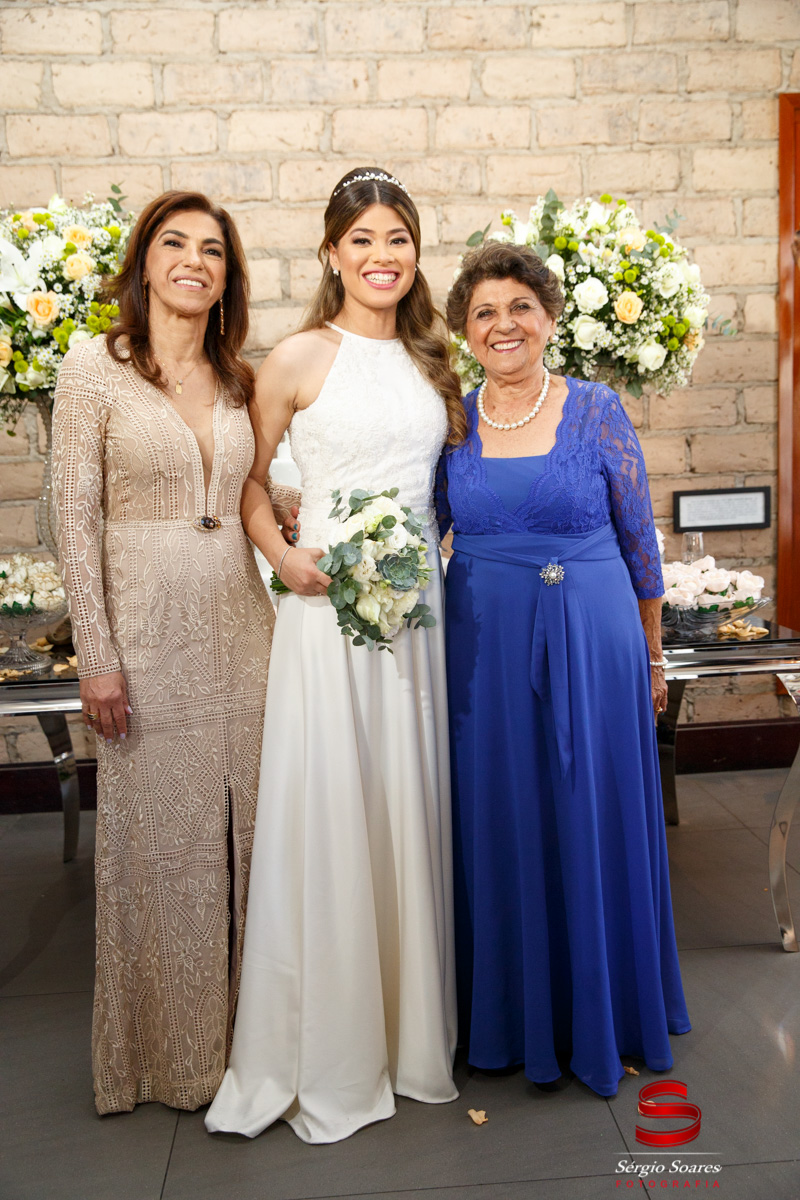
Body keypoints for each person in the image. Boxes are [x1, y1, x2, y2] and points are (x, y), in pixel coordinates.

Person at [205, 168, 465, 1144]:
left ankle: (407, 1036)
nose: (381, 256)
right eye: (362, 239)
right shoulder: (296, 357)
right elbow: (246, 485)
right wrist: (285, 560)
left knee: (402, 800)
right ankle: (332, 1047)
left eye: (396, 238)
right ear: (330, 252)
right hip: (323, 613)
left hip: (414, 621)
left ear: (414, 251)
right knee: (332, 803)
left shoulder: (432, 360)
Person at [52, 190, 297, 1115]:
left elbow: (258, 495)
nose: (194, 260)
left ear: (228, 277)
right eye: (174, 243)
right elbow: (72, 517)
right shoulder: (95, 368)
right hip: (145, 635)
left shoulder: (241, 379)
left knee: (257, 838)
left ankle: (255, 1049)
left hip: (243, 627)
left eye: (212, 250)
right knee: (159, 848)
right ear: (145, 263)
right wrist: (97, 654)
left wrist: (323, 508)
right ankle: (163, 1059)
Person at [437, 240, 690, 1098]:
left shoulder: (596, 409)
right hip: (483, 646)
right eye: (484, 312)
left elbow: (640, 543)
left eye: (520, 307)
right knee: (502, 810)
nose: (503, 324)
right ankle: (509, 1017)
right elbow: (413, 522)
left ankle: (607, 1013)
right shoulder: (451, 421)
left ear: (548, 317)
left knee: (592, 805)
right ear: (465, 331)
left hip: (594, 635)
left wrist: (653, 654)